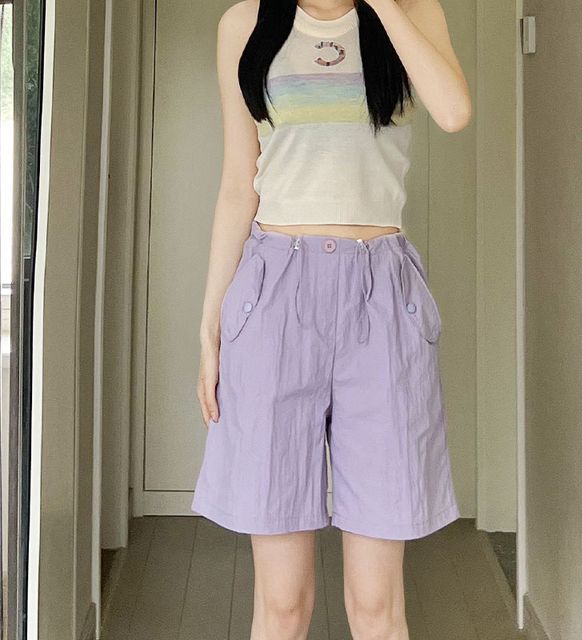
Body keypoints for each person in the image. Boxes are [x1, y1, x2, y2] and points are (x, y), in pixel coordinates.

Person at [193, 0, 471, 637]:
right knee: (283, 602)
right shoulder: (245, 26)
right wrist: (209, 329)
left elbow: (454, 112)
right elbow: (238, 182)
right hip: (273, 294)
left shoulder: (412, 12)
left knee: (376, 604)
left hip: (382, 295)